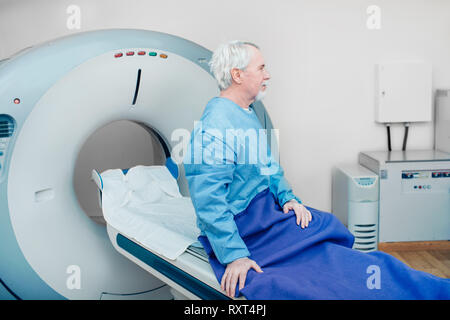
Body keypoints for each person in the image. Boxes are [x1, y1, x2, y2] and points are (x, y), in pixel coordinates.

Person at [183, 40, 311, 298]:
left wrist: (289, 198)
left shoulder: (245, 113)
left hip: (265, 213)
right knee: (304, 268)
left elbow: (267, 166)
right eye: (261, 68)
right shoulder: (216, 125)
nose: (268, 75)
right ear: (237, 75)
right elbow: (208, 200)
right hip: (244, 226)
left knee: (324, 226)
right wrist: (235, 255)